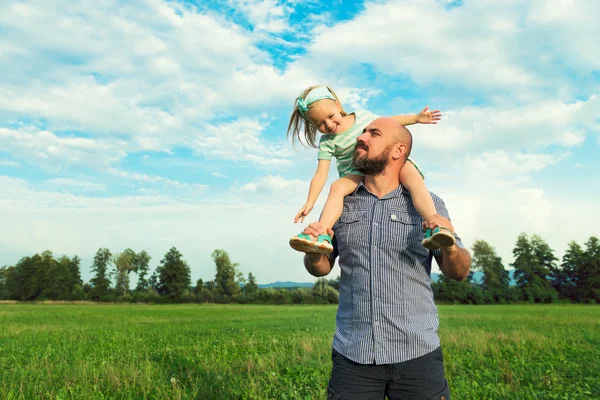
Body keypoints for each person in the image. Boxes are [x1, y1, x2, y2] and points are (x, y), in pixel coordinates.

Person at [300, 117, 471, 400]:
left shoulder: (428, 205)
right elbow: (320, 269)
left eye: (373, 133)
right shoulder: (342, 203)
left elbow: (459, 272)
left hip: (418, 354)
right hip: (354, 355)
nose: (361, 137)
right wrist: (313, 253)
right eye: (363, 131)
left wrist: (451, 248)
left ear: (397, 151)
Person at [287, 85, 454, 255]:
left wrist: (416, 118)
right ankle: (322, 233)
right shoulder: (327, 141)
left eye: (330, 116)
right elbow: (320, 174)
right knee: (337, 187)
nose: (329, 125)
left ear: (337, 105)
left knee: (412, 177)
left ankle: (434, 224)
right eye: (320, 124)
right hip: (354, 172)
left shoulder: (362, 117)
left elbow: (389, 123)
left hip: (380, 163)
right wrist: (310, 201)